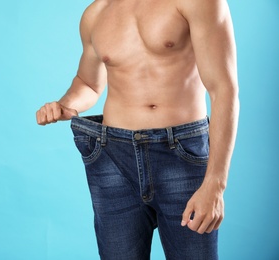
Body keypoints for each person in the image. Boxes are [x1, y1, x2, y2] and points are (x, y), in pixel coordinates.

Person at [36, 0, 239, 259]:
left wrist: (215, 184)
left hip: (180, 154)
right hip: (113, 156)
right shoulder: (96, 13)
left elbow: (224, 89)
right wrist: (66, 105)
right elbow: (88, 83)